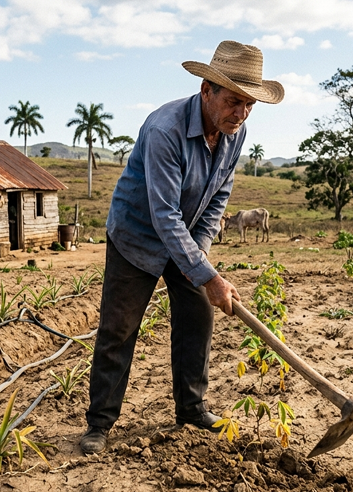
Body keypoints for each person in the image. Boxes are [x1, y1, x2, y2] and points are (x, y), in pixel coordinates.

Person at [79, 41, 284, 454]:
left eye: (249, 105)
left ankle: (191, 409)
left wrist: (201, 253)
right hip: (136, 236)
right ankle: (99, 424)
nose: (241, 113)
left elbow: (219, 195)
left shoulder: (234, 132)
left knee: (197, 318)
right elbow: (164, 213)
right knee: (118, 329)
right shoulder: (164, 130)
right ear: (206, 90)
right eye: (233, 101)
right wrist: (208, 275)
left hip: (184, 240)